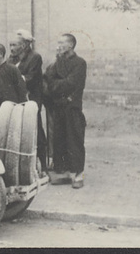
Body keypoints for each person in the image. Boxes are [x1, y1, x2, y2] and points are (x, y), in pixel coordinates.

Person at [44, 33, 87, 189]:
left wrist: (56, 85)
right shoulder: (57, 63)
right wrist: (56, 86)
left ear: (71, 45)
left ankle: (78, 174)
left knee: (74, 140)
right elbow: (48, 81)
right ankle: (64, 172)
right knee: (59, 140)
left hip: (72, 107)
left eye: (62, 42)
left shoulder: (80, 63)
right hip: (59, 106)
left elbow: (71, 83)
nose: (58, 45)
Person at [8, 30, 48, 172]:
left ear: (25, 45)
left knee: (35, 129)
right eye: (10, 45)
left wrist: (15, 79)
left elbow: (30, 78)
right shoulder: (11, 59)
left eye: (15, 45)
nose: (12, 48)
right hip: (17, 98)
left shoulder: (34, 58)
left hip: (31, 99)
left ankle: (43, 165)